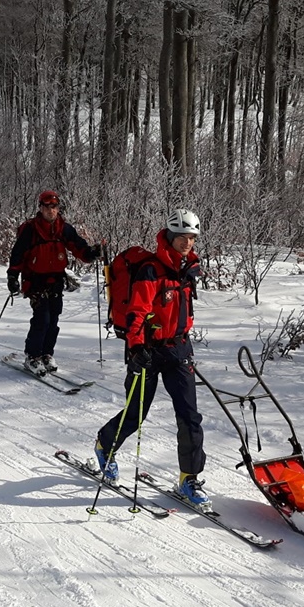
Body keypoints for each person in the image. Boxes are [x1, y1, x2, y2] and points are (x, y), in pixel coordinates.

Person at [94, 209, 208, 507]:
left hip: (179, 349)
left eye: (192, 239)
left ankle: (189, 478)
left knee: (189, 416)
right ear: (169, 237)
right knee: (136, 412)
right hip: (147, 349)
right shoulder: (150, 269)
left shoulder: (188, 268)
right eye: (183, 238)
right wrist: (136, 346)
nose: (188, 244)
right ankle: (105, 445)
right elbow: (137, 311)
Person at [7, 190, 100, 375]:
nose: (51, 211)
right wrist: (12, 276)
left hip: (55, 279)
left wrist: (91, 253)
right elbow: (18, 254)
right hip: (34, 280)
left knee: (54, 318)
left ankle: (47, 354)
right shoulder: (30, 229)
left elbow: (78, 246)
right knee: (42, 318)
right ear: (40, 208)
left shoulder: (63, 228)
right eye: (47, 207)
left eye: (55, 207)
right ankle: (33, 356)